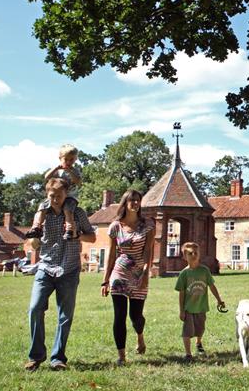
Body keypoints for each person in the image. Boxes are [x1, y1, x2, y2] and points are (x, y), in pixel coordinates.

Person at [25, 178, 95, 371]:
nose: (55, 199)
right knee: (34, 308)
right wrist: (34, 242)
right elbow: (33, 243)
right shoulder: (41, 214)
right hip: (46, 267)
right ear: (47, 195)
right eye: (52, 196)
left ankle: (58, 358)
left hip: (69, 269)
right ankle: (36, 356)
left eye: (59, 195)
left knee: (65, 316)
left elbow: (93, 236)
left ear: (66, 194)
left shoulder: (77, 213)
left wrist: (78, 235)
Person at [101, 189, 155, 366]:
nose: (135, 203)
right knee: (119, 315)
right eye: (132, 200)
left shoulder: (147, 225)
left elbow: (148, 251)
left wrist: (146, 273)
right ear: (125, 203)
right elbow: (111, 254)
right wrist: (105, 279)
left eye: (138, 200)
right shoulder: (115, 226)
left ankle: (140, 336)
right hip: (120, 272)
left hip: (139, 272)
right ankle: (121, 356)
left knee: (136, 316)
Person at [175, 242, 225, 361]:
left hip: (201, 307)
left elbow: (212, 286)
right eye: (190, 253)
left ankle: (198, 342)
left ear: (199, 255)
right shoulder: (184, 274)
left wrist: (219, 300)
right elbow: (181, 294)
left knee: (200, 329)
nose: (193, 255)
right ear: (184, 256)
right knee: (187, 332)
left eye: (195, 253)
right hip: (188, 308)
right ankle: (188, 354)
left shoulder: (204, 271)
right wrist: (181, 310)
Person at [26, 144, 82, 241]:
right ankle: (36, 227)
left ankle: (69, 229)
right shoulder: (57, 171)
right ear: (60, 158)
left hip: (69, 197)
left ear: (75, 159)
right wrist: (55, 168)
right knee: (42, 206)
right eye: (66, 159)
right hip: (56, 196)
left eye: (71, 160)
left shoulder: (75, 171)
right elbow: (46, 177)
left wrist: (70, 172)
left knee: (68, 210)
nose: (68, 162)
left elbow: (78, 182)